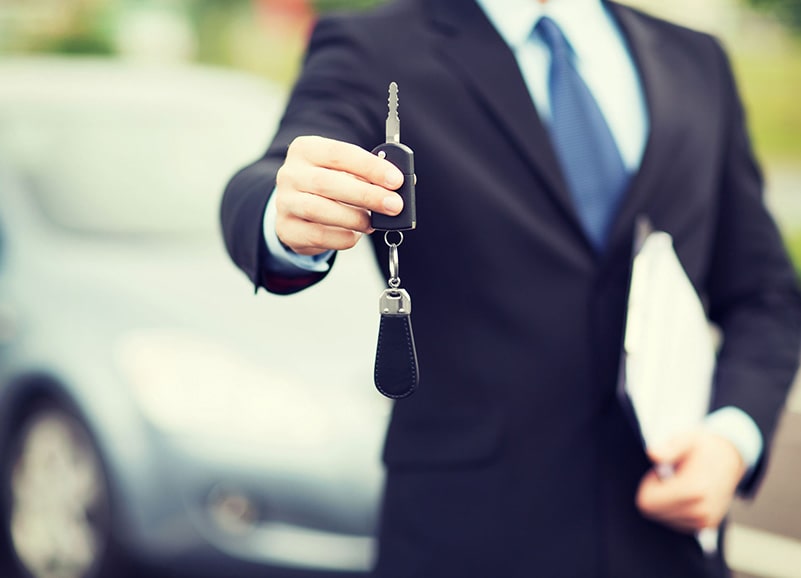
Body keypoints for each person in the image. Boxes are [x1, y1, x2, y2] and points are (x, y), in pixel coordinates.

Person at [220, 0, 801, 576]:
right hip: (468, 539)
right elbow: (266, 182)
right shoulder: (373, 46)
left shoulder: (697, 58)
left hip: (667, 539)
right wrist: (283, 212)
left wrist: (731, 440)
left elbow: (766, 293)